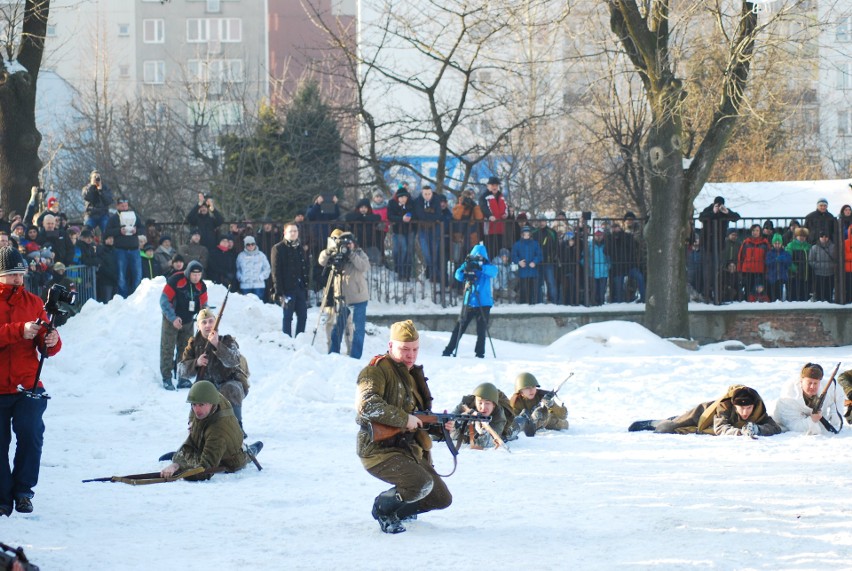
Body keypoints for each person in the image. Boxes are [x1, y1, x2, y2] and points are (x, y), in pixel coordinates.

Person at [356, 320, 452, 534]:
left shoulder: (412, 375)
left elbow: (419, 419)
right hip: (379, 450)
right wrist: (403, 419)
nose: (411, 355)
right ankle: (383, 509)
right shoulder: (376, 371)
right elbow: (367, 405)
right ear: (391, 346)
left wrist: (441, 426)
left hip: (408, 450)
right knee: (420, 484)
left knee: (441, 498)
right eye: (405, 349)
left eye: (415, 350)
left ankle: (400, 510)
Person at [0, 246, 62, 516]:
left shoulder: (35, 302)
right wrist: (19, 331)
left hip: (28, 382)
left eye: (21, 274)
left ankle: (23, 490)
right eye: (12, 274)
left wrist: (51, 340)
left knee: (31, 432)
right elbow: (13, 333)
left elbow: (45, 345)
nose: (18, 279)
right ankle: (2, 497)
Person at [159, 381, 261, 479]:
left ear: (212, 402)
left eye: (201, 405)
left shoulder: (219, 431)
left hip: (231, 458)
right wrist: (191, 421)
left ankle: (252, 449)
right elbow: (195, 403)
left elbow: (203, 471)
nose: (197, 410)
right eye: (194, 405)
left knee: (243, 455)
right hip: (214, 440)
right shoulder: (212, 397)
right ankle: (183, 456)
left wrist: (177, 467)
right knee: (196, 435)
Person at [629, 385, 781, 437]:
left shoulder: (759, 410)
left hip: (708, 425)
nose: (745, 412)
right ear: (734, 406)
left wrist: (757, 429)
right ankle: (653, 423)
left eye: (749, 408)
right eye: (741, 408)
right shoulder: (725, 406)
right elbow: (720, 427)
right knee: (668, 427)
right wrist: (739, 432)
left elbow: (774, 427)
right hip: (702, 415)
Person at [318, 229, 370, 359]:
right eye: (344, 243)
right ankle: (333, 354)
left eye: (349, 243)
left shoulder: (359, 253)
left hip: (358, 298)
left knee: (358, 329)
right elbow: (321, 261)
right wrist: (329, 251)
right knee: (337, 327)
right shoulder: (336, 253)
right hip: (342, 298)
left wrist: (351, 254)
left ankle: (355, 356)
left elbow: (364, 267)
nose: (347, 245)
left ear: (354, 243)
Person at [442, 243, 497, 358]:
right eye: (475, 257)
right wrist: (466, 267)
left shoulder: (488, 266)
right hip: (470, 302)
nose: (478, 259)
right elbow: (458, 275)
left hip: (484, 303)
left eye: (480, 257)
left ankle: (480, 353)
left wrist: (481, 267)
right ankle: (448, 350)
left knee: (481, 330)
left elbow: (494, 272)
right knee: (459, 327)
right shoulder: (468, 264)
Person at [159, 260, 207, 390]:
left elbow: (204, 305)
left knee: (186, 350)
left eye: (199, 275)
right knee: (167, 348)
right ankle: (167, 378)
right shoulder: (176, 280)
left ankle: (182, 377)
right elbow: (164, 301)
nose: (196, 277)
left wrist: (203, 319)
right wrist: (173, 318)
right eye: (194, 274)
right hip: (171, 319)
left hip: (188, 320)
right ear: (188, 273)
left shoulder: (202, 286)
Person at [774, 363, 846, 435]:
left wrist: (834, 414)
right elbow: (793, 425)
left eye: (815, 383)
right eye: (809, 383)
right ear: (801, 381)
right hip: (785, 423)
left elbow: (838, 395)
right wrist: (811, 420)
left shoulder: (826, 386)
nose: (812, 386)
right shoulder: (789, 396)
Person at [698, 196, 741, 302]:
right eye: (717, 204)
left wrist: (727, 213)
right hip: (707, 244)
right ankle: (707, 295)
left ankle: (718, 294)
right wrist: (713, 212)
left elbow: (736, 217)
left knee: (718, 269)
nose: (719, 206)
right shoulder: (708, 209)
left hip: (719, 245)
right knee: (708, 270)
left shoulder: (724, 210)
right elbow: (701, 218)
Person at [271, 223, 309, 337]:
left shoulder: (299, 247)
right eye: (290, 231)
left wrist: (305, 284)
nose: (293, 233)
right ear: (285, 233)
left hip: (300, 287)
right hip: (287, 289)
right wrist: (279, 291)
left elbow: (304, 267)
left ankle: (299, 338)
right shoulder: (278, 248)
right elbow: (276, 271)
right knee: (288, 316)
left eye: (295, 231)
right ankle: (286, 340)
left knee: (303, 315)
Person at [104, 198, 145, 298]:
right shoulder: (113, 218)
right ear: (117, 206)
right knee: (121, 275)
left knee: (137, 274)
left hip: (134, 249)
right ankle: (123, 297)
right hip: (120, 250)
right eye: (122, 206)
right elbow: (107, 232)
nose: (124, 207)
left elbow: (143, 229)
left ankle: (137, 296)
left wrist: (136, 231)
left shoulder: (134, 216)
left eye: (126, 205)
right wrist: (119, 231)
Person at [509, 372, 569, 436]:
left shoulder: (543, 395)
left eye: (533, 387)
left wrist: (553, 405)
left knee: (562, 423)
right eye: (527, 388)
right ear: (520, 391)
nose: (531, 390)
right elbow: (514, 422)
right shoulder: (515, 402)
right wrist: (531, 418)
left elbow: (563, 415)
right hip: (529, 427)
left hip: (550, 422)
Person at [449, 382, 507, 449]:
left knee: (512, 431)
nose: (483, 407)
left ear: (493, 405)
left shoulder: (499, 417)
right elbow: (450, 421)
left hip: (505, 429)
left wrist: (481, 432)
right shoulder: (466, 405)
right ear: (475, 401)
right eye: (480, 403)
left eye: (487, 403)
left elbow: (487, 443)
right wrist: (458, 423)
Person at [511, 226, 542, 305]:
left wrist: (534, 262)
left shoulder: (535, 244)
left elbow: (539, 255)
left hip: (532, 271)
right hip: (522, 271)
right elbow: (513, 256)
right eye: (525, 234)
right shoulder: (517, 244)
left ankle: (532, 305)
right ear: (522, 235)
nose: (526, 236)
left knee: (532, 290)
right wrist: (519, 262)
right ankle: (523, 305)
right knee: (523, 290)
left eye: (528, 234)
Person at [479, 176, 509, 256]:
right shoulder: (484, 196)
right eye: (492, 185)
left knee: (499, 250)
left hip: (500, 228)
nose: (494, 187)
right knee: (490, 251)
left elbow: (505, 207)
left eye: (496, 185)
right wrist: (489, 216)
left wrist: (506, 214)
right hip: (489, 229)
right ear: (488, 186)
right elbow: (483, 207)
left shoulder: (501, 196)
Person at [236, 235, 271, 299]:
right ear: (245, 245)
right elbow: (237, 269)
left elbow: (267, 268)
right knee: (246, 305)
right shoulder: (240, 256)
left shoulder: (261, 255)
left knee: (258, 305)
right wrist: (241, 278)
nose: (251, 246)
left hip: (259, 285)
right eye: (248, 244)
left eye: (252, 244)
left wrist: (261, 277)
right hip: (245, 285)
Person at [809, 230, 836, 302]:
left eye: (826, 236)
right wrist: (818, 266)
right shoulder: (814, 248)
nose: (824, 238)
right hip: (818, 274)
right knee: (819, 295)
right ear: (819, 238)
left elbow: (837, 260)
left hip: (830, 274)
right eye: (822, 236)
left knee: (829, 295)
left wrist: (831, 266)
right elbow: (811, 260)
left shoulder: (833, 247)